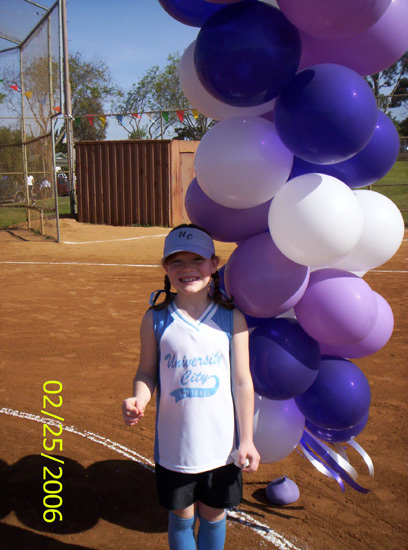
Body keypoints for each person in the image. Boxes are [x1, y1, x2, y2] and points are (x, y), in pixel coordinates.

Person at [122, 224, 260, 550]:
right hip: (175, 448)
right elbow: (146, 372)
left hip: (223, 448)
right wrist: (139, 398)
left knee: (214, 516)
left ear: (214, 263)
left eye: (197, 259)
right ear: (165, 268)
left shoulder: (232, 319)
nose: (187, 269)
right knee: (181, 518)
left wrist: (247, 440)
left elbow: (242, 381)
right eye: (176, 261)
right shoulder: (155, 319)